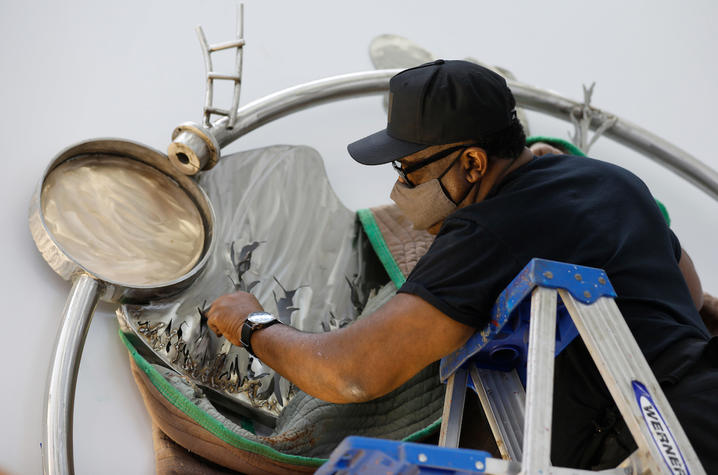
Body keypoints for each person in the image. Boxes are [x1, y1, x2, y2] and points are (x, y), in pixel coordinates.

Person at [207, 60, 717, 471]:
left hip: (649, 443)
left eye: (410, 169)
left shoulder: (489, 225)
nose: (400, 187)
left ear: (472, 164)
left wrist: (252, 324)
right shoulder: (613, 181)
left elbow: (354, 373)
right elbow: (690, 295)